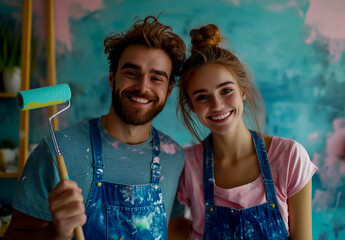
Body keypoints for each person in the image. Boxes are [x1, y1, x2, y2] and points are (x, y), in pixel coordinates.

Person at [4, 16, 186, 240]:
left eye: (156, 78)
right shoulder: (58, 150)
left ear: (168, 90)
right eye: (131, 73)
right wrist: (57, 233)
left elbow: (176, 231)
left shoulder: (175, 157)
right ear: (112, 77)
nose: (142, 87)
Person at [169, 24, 318, 239]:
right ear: (192, 105)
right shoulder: (185, 166)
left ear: (243, 91)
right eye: (202, 97)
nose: (217, 104)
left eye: (226, 91)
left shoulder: (290, 157)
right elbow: (175, 230)